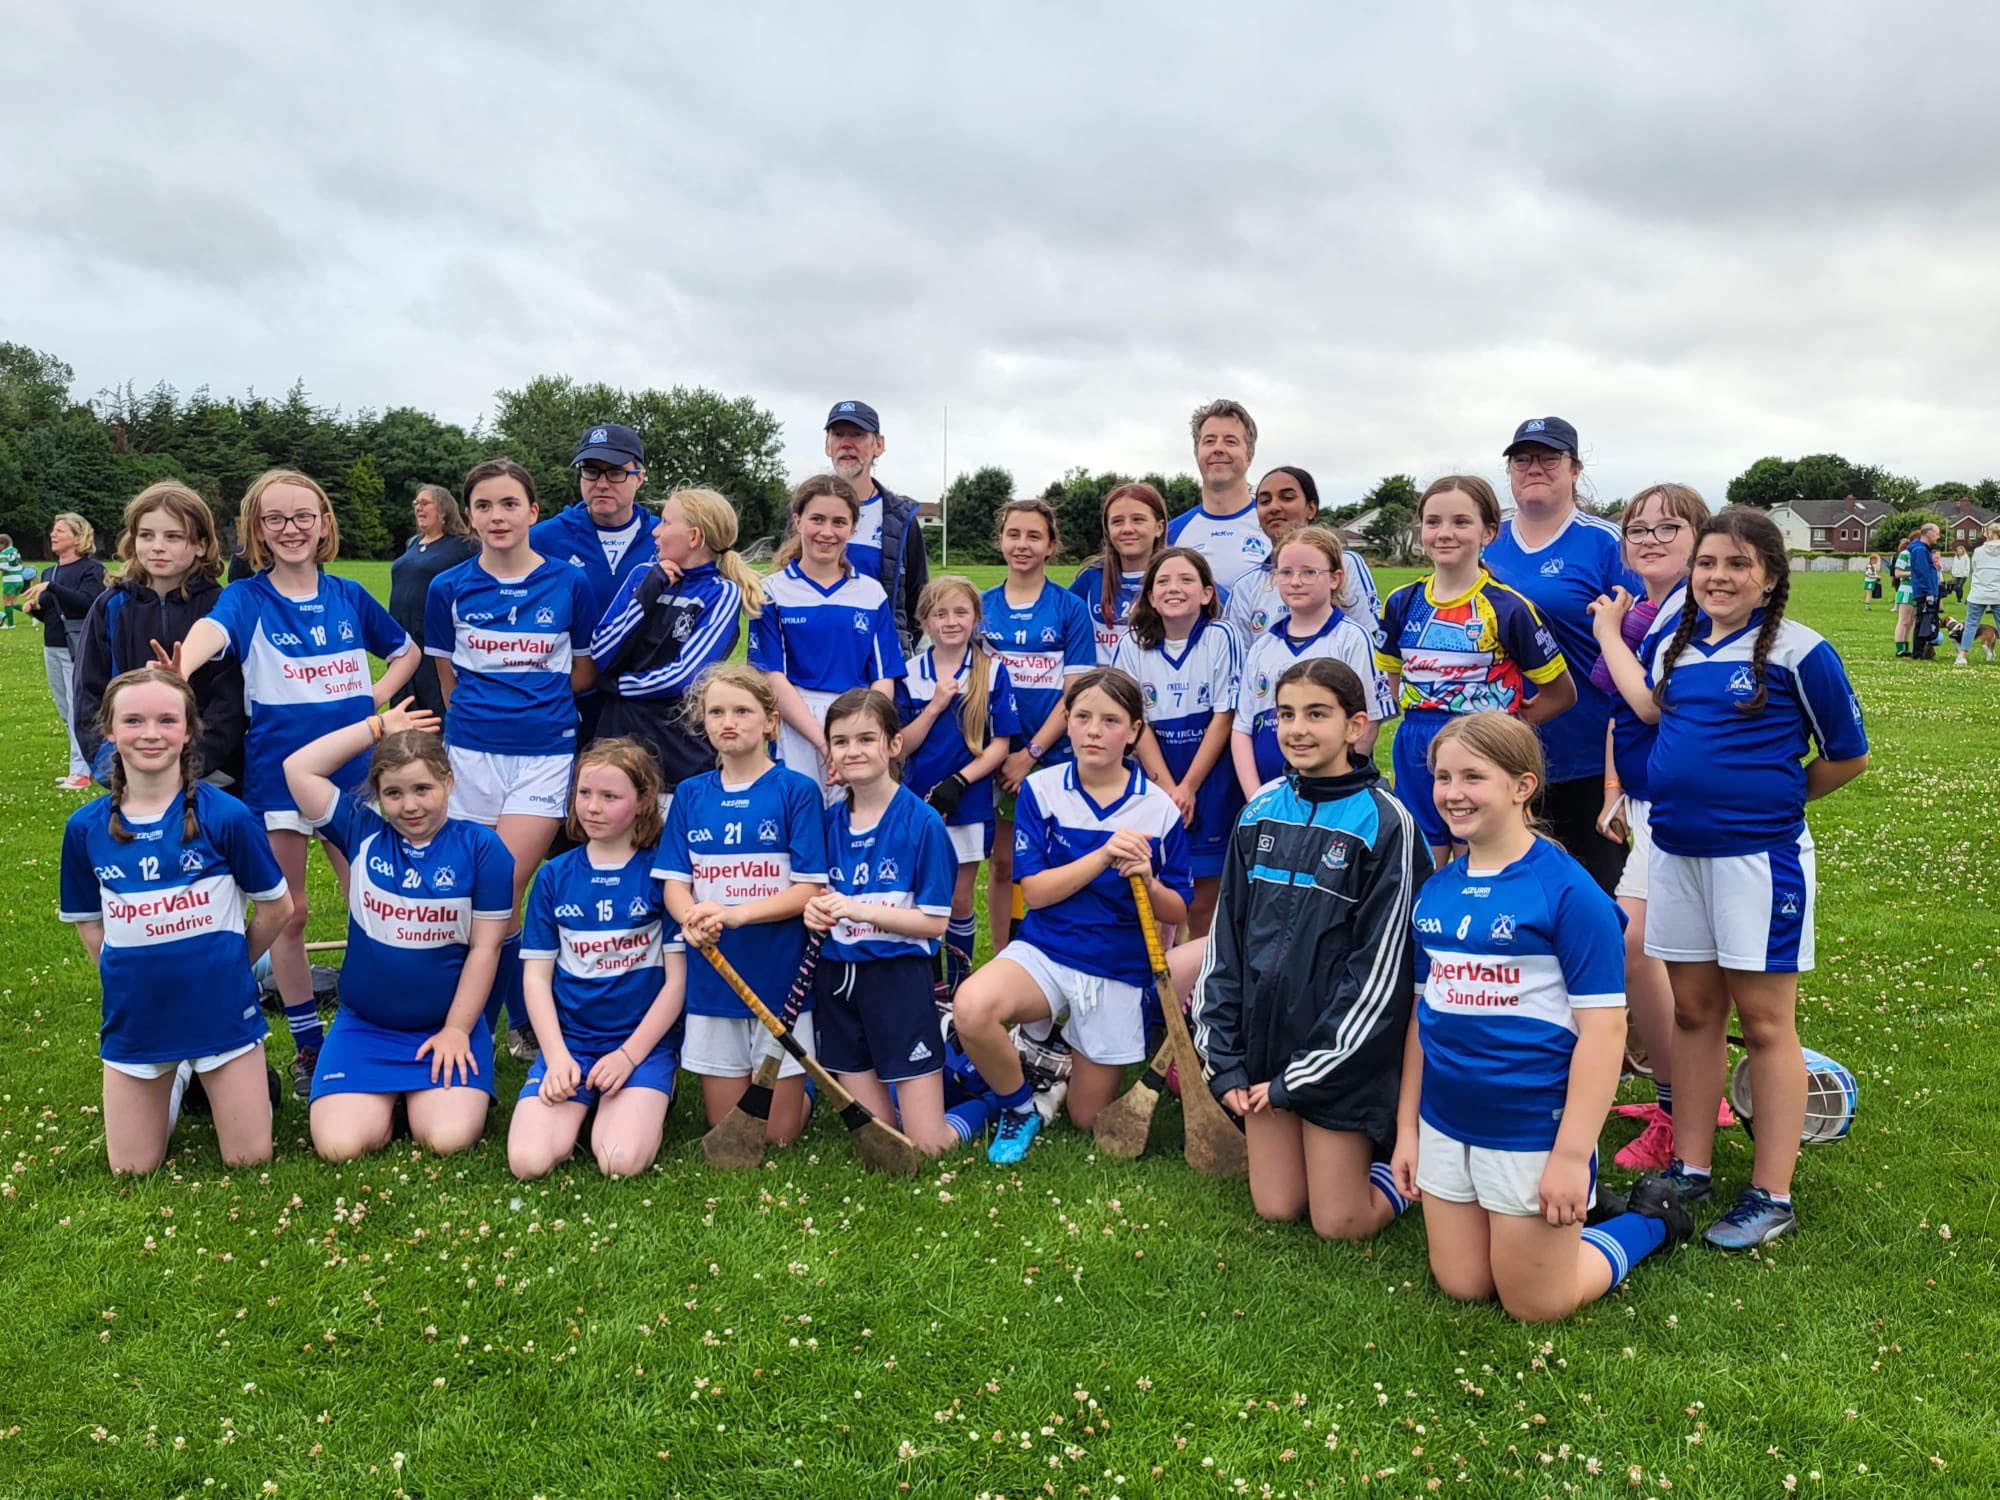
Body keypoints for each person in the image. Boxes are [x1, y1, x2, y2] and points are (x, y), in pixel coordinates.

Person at [1594, 507, 1869, 1248]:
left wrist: (1772, 800)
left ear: (1770, 577)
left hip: (1759, 861)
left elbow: (1847, 756)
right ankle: (1690, 1166)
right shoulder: (1675, 646)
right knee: (1693, 1012)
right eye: (1708, 563)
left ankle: (1771, 1194)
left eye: (1739, 564)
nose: (1719, 577)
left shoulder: (1803, 652)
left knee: (1767, 1022)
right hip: (1676, 853)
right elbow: (1648, 709)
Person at [1392, 712, 1693, 1321]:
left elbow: (1604, 1033)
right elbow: (1425, 1017)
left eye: (1473, 777)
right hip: (1447, 1119)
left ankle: (1651, 1220)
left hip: (1532, 1126)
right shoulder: (1436, 891)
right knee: (1464, 1284)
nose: (1452, 793)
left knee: (1537, 1303)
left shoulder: (1570, 895)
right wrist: (1407, 1131)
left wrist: (1569, 1156)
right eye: (1443, 777)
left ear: (1522, 786)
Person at [166, 469, 419, 1098]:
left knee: (372, 904)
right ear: (257, 529)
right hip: (278, 778)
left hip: (356, 778)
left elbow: (407, 652)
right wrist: (181, 666)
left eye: (303, 515)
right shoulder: (247, 597)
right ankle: (309, 1044)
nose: (290, 529)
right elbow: (212, 632)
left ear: (324, 522)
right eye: (274, 518)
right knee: (290, 912)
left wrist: (374, 701)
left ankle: (374, 1027)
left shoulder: (348, 594)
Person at [1192, 658, 1423, 1240]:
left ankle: (1405, 1166)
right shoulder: (1260, 810)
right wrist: (1226, 1062)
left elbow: (1381, 977)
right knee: (1277, 1205)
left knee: (1339, 1222)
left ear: (1355, 726)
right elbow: (1225, 943)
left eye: (1317, 714)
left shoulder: (1387, 823)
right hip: (1265, 1053)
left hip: (1344, 1059)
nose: (1296, 729)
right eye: (1285, 715)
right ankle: (1323, 1146)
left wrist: (1304, 1077)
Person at [954, 668, 1192, 1165]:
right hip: (1046, 950)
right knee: (971, 1007)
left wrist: (1149, 882)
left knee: (1087, 1117)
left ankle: (1053, 1059)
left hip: (1116, 965)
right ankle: (1020, 1105)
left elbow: (1178, 908)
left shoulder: (1159, 810)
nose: (1094, 731)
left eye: (1111, 721)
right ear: (1067, 722)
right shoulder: (1041, 790)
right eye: (1082, 717)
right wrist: (1103, 856)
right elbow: (1036, 894)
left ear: (1134, 731)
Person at [59, 668, 292, 1174]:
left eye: (167, 720)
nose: (151, 734)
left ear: (188, 731)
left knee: (249, 1159)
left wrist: (233, 964)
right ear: (110, 730)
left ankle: (211, 1069)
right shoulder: (84, 829)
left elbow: (278, 907)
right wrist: (123, 973)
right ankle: (179, 1074)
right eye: (134, 721)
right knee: (132, 1169)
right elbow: (89, 923)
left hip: (221, 1010)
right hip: (138, 1017)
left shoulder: (226, 816)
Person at [282, 703, 513, 1162]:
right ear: (378, 795)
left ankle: (419, 1098)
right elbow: (297, 768)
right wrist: (378, 726)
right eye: (393, 793)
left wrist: (457, 1029)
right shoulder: (360, 829)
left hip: (446, 1028)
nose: (409, 806)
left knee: (447, 1139)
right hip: (365, 1027)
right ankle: (385, 1102)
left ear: (448, 782)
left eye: (423, 789)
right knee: (340, 1147)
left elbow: (486, 950)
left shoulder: (483, 849)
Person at [425, 457, 599, 1061]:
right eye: (484, 506)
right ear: (469, 517)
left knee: (502, 882)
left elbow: (583, 672)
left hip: (544, 753)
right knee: (475, 891)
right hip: (470, 753)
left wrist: (530, 703)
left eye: (509, 504)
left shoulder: (569, 583)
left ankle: (478, 1024)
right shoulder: (447, 588)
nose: (497, 516)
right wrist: (488, 711)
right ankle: (512, 1018)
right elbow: (448, 681)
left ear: (533, 511)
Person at [1585, 484, 1711, 1171]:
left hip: (1685, 808)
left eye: (1669, 528)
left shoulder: (1696, 611)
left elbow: (1650, 705)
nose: (1650, 540)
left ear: (1699, 538)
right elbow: (1618, 714)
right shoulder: (1643, 608)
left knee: (1645, 949)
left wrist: (1608, 631)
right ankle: (1681, 1093)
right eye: (1637, 529)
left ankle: (1682, 1104)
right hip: (1646, 800)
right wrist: (1615, 791)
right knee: (1640, 948)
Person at [656, 665, 829, 1143]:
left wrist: (736, 914)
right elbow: (675, 885)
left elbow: (809, 889)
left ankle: (804, 1089)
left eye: (742, 711)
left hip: (778, 975)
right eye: (716, 712)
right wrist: (691, 917)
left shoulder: (796, 790)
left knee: (778, 1135)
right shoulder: (691, 794)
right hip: (715, 975)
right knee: (728, 1128)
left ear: (770, 722)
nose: (727, 722)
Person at [510, 738, 686, 1180]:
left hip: (639, 1046)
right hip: (571, 1043)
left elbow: (678, 982)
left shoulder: (661, 875)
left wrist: (628, 1056)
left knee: (618, 1160)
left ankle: (647, 1091)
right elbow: (535, 978)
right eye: (585, 793)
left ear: (643, 802)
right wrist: (556, 1057)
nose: (592, 807)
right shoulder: (554, 876)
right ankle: (584, 1097)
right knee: (528, 1162)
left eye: (610, 796)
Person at [1376, 476, 1573, 870]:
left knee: (1481, 862)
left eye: (1461, 522)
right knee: (1421, 865)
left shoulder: (1508, 608)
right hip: (1415, 744)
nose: (1445, 533)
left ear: (1488, 532)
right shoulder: (1401, 602)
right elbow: (1393, 681)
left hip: (1483, 748)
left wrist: (1506, 727)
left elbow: (1561, 693)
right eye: (1433, 522)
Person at [1480, 417, 1638, 896]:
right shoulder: (1485, 540)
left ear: (1575, 469)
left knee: (1595, 899)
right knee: (1508, 898)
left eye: (1549, 458)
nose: (1534, 468)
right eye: (1522, 459)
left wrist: (1619, 776)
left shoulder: (1606, 543)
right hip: (1497, 754)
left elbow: (1639, 644)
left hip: (1585, 756)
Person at [804, 689, 958, 1154]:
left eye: (866, 739)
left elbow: (934, 923)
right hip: (837, 981)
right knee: (883, 1139)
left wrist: (857, 909)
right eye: (841, 741)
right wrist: (813, 910)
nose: (852, 751)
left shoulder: (923, 822)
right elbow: (813, 896)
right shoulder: (826, 822)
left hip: (897, 978)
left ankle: (988, 1103)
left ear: (894, 744)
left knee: (927, 1145)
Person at [590, 488, 764, 799]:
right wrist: (647, 594)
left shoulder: (721, 593)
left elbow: (684, 677)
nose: (655, 531)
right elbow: (602, 652)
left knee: (671, 827)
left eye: (666, 523)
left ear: (694, 537)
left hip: (675, 748)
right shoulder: (643, 577)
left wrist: (618, 686)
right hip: (616, 736)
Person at [73, 483, 247, 792]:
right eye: (146, 535)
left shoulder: (221, 609)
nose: (157, 546)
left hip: (213, 780)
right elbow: (88, 692)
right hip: (131, 777)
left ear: (201, 545)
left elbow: (230, 701)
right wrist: (111, 765)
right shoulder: (111, 606)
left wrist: (189, 765)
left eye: (173, 536)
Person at [895, 576, 1020, 993]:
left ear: (976, 618)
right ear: (924, 621)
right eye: (940, 613)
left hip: (968, 801)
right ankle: (930, 986)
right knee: (922, 894)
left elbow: (1000, 745)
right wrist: (934, 706)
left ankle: (960, 986)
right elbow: (900, 746)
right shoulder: (910, 673)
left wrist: (959, 781)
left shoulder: (992, 672)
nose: (951, 621)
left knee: (959, 898)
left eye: (960, 612)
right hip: (917, 802)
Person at [981, 499, 1096, 948]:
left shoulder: (1070, 608)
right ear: (1000, 540)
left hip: (1052, 756)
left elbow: (1075, 695)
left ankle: (1058, 952)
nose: (1022, 545)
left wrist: (1030, 755)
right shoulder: (982, 607)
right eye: (1013, 534)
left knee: (1058, 862)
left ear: (1051, 546)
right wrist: (1001, 752)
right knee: (1003, 864)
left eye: (1034, 536)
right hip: (997, 756)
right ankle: (1004, 956)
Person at [1112, 546, 1243, 937]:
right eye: (1163, 581)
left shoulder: (1222, 636)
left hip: (1210, 782)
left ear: (1206, 593)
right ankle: (1159, 972)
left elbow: (1224, 716)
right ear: (1151, 596)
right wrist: (1169, 790)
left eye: (1186, 579)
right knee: (1155, 891)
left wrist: (1188, 787)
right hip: (1156, 782)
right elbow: (1137, 725)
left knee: (1202, 901)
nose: (1174, 588)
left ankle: (1200, 972)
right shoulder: (1131, 646)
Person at [749, 475, 906, 797]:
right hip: (796, 727)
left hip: (857, 723)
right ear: (797, 521)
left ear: (853, 528)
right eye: (817, 519)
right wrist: (825, 743)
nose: (827, 532)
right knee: (799, 819)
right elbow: (772, 677)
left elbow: (883, 676)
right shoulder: (772, 592)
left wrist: (855, 735)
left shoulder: (871, 592)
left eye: (839, 522)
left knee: (856, 820)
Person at [1232, 526, 1386, 797]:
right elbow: (1242, 728)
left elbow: (1369, 722)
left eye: (1309, 572)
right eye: (1286, 572)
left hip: (1333, 796)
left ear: (1335, 579)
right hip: (1271, 795)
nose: (1295, 581)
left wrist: (1339, 787)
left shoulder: (1352, 639)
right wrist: (1255, 796)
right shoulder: (1262, 647)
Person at [529, 422, 657, 742]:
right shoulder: (543, 539)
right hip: (567, 702)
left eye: (615, 473)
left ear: (640, 477)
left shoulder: (664, 537)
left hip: (643, 703)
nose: (601, 483)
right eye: (590, 471)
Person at [1226, 466, 1382, 646]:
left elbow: (1371, 639)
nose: (1274, 507)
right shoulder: (1246, 585)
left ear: (1311, 509)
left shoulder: (1345, 564)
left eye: (1287, 498)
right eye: (1264, 501)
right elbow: (1239, 656)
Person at [823, 400, 930, 651]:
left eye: (857, 435)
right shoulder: (804, 513)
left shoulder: (901, 519)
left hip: (880, 658)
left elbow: (918, 600)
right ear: (827, 445)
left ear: (878, 445)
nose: (846, 443)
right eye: (838, 435)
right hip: (817, 655)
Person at [24, 512, 106, 787]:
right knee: (64, 709)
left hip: (79, 648)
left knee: (78, 708)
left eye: (60, 530)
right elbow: (52, 614)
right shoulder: (50, 572)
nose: (53, 534)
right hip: (53, 646)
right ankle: (86, 764)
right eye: (53, 530)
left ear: (78, 537)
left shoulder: (91, 569)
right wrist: (34, 610)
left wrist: (53, 588)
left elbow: (89, 604)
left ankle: (80, 772)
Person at [387, 484, 477, 721]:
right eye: (416, 503)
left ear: (444, 509)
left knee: (432, 700)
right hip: (403, 637)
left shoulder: (465, 546)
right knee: (403, 700)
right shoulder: (413, 543)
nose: (418, 507)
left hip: (433, 638)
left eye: (425, 503)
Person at [1166, 399, 1270, 590]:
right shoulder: (1172, 534)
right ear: (1197, 453)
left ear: (1249, 455)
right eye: (1209, 441)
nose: (1218, 448)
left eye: (1230, 441)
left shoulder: (1274, 525)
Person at [1068, 482, 1168, 663]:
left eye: (1138, 519)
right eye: (1117, 521)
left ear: (1159, 528)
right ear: (1108, 530)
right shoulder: (1091, 578)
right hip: (1100, 681)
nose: (1127, 529)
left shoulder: (1176, 578)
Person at [1956, 520, 2000, 665]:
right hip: (1998, 593)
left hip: (1978, 592)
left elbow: (1974, 569)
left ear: (1986, 534)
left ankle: (1962, 656)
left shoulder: (1978, 551)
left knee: (1971, 625)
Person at [1906, 522, 1943, 660]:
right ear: (1929, 533)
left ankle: (1921, 651)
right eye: (1937, 533)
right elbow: (1923, 573)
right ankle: (1918, 653)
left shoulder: (1923, 549)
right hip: (1925, 592)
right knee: (1924, 621)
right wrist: (1929, 593)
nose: (1938, 537)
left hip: (1927, 591)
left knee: (1924, 620)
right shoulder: (1920, 550)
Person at [0, 534, 33, 628]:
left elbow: (4, 567)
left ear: (3, 544)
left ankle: (10, 625)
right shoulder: (15, 551)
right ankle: (34, 617)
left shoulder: (4, 554)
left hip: (10, 580)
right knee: (13, 603)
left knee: (7, 602)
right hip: (19, 579)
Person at [1891, 533, 1917, 655]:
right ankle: (1899, 648)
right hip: (1906, 590)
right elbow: (1897, 573)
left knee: (1910, 622)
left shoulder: (1918, 554)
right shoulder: (1905, 554)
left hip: (1916, 591)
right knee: (1903, 621)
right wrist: (1912, 573)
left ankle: (1906, 647)